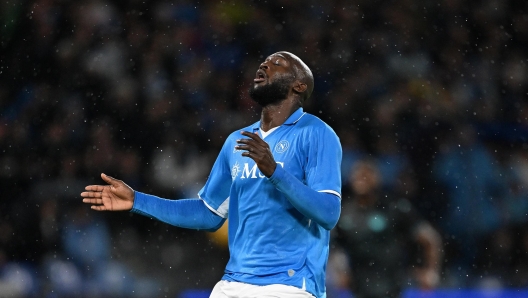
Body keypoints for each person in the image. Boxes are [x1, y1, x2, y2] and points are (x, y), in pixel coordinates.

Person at [81, 51, 342, 298]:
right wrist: (137, 200)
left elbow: (328, 214)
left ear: (299, 85)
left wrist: (275, 172)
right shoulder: (237, 142)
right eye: (264, 61)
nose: (264, 65)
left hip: (290, 285)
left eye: (278, 63)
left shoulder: (316, 134)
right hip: (233, 283)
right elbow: (208, 213)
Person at [331, 159, 442, 298]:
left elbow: (429, 239)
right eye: (357, 175)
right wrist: (339, 272)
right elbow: (331, 247)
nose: (361, 179)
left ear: (377, 179)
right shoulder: (343, 212)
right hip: (359, 289)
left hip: (392, 287)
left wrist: (431, 271)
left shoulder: (394, 207)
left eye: (366, 175)